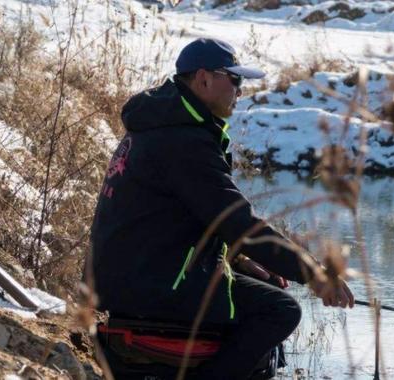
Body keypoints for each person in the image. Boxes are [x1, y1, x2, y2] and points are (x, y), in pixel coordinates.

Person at [89, 37, 355, 379]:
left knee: (270, 286)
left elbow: (194, 219)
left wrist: (242, 261)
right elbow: (237, 223)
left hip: (137, 273)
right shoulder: (183, 141)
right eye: (235, 80)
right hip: (148, 284)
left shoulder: (165, 123)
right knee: (281, 310)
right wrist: (314, 275)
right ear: (204, 78)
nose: (240, 91)